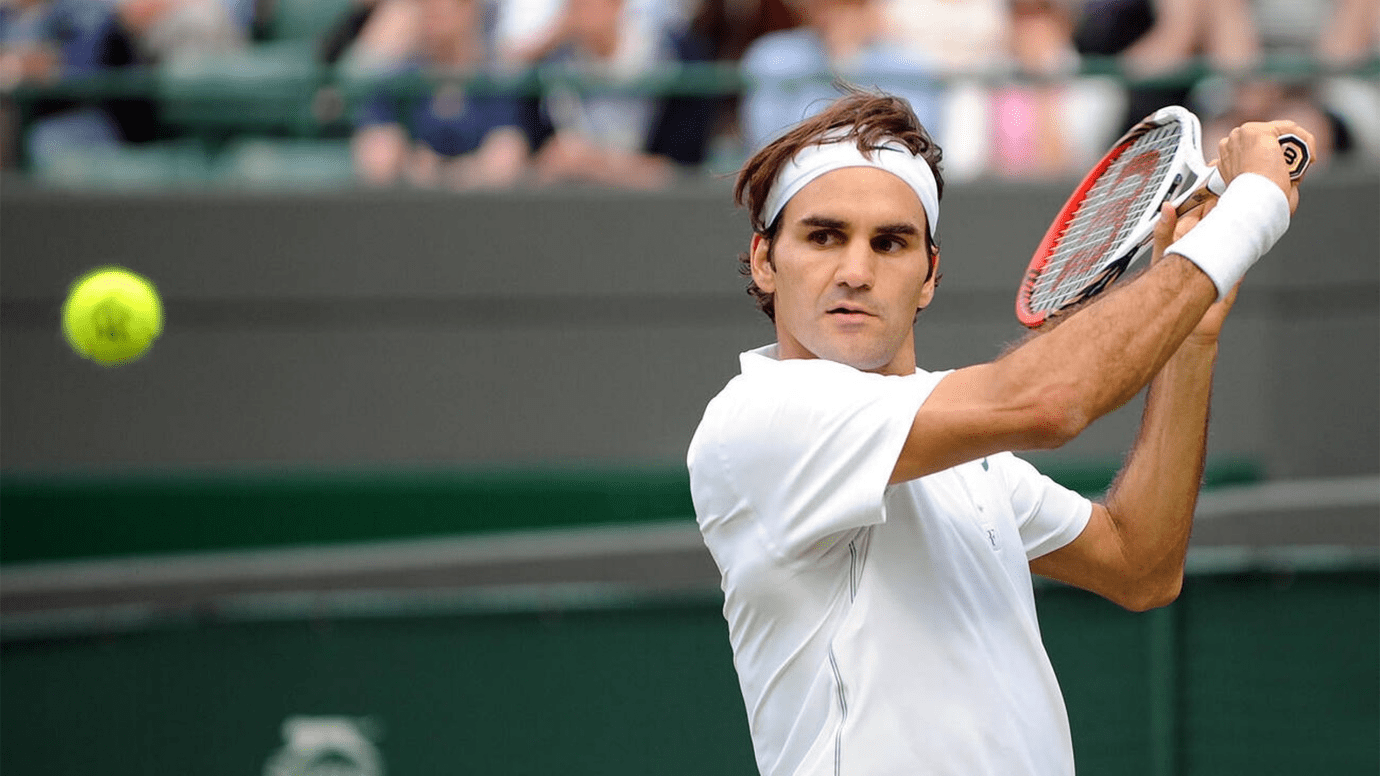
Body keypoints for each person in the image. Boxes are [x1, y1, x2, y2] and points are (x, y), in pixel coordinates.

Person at [686, 87, 1310, 775]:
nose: (856, 272)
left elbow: (1139, 565)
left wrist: (1191, 338)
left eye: (890, 243)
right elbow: (1052, 402)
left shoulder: (964, 454)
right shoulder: (761, 416)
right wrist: (1251, 211)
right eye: (824, 236)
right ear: (766, 260)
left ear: (929, 275)